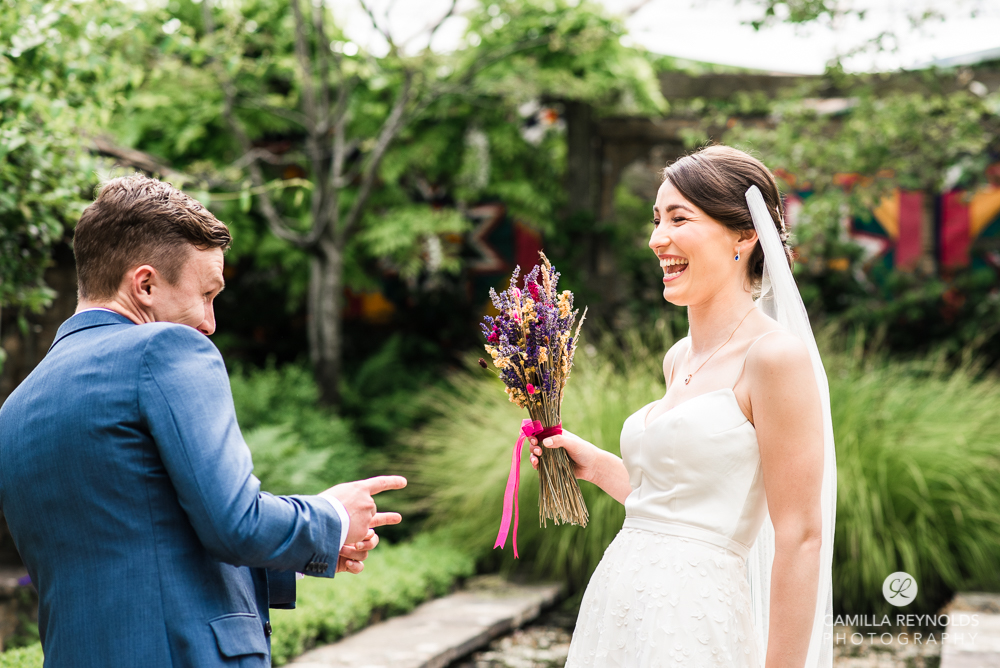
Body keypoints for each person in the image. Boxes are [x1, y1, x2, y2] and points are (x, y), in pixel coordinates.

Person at [0, 174, 406, 667]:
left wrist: (305, 553)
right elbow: (236, 524)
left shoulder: (17, 406)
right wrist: (332, 517)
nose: (211, 324)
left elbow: (137, 546)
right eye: (208, 294)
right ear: (145, 284)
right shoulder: (166, 347)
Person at [529, 146, 835, 667]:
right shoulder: (679, 358)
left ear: (744, 235)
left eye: (678, 218)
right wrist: (600, 466)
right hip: (620, 606)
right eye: (655, 220)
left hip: (696, 619)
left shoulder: (774, 357)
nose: (656, 239)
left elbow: (801, 537)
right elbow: (683, 509)